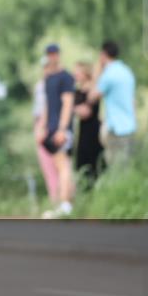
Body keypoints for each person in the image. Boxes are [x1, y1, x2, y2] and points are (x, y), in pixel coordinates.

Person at [88, 41, 136, 167]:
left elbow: (92, 97)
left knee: (115, 166)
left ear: (103, 55)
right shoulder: (127, 71)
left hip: (115, 127)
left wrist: (96, 73)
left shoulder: (109, 74)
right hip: (129, 125)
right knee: (127, 165)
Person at [40, 44, 75, 218]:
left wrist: (62, 128)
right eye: (49, 54)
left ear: (58, 55)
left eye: (54, 54)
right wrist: (43, 126)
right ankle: (68, 202)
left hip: (62, 128)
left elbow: (68, 103)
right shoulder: (48, 78)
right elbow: (48, 104)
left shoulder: (66, 77)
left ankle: (65, 204)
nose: (52, 57)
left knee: (63, 165)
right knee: (61, 165)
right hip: (51, 128)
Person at [33, 60, 60, 204]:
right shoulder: (40, 85)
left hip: (51, 127)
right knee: (47, 167)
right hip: (40, 125)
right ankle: (54, 199)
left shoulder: (57, 86)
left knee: (59, 166)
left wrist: (42, 127)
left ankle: (61, 200)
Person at [72, 61, 103, 186]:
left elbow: (85, 112)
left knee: (93, 162)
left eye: (78, 72)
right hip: (83, 131)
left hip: (93, 130)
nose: (76, 75)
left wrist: (71, 108)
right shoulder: (76, 91)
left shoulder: (93, 90)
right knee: (81, 163)